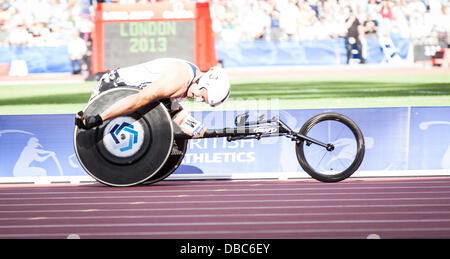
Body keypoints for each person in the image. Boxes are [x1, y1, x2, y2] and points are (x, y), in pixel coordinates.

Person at [75, 58, 231, 138]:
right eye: (202, 96)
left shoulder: (192, 76)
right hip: (114, 87)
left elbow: (173, 109)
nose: (197, 100)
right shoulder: (179, 80)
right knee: (91, 134)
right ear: (206, 81)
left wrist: (201, 130)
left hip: (127, 91)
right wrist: (100, 117)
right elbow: (140, 99)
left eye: (202, 101)